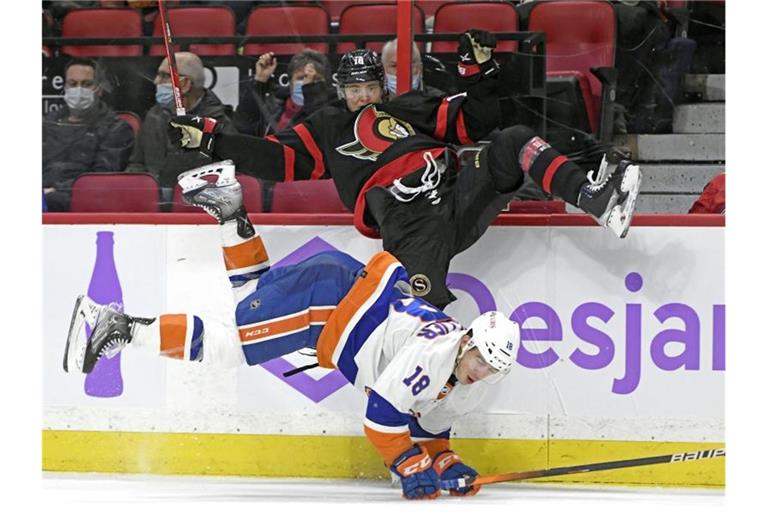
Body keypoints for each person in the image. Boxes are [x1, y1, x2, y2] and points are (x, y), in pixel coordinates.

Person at [62, 162, 521, 500]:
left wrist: (444, 460)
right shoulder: (433, 352)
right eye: (482, 360)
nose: (483, 372)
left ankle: (227, 206)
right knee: (230, 346)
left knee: (251, 297)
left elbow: (428, 420)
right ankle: (116, 325)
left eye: (492, 369)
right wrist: (406, 461)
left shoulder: (464, 372)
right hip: (325, 305)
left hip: (338, 303)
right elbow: (383, 415)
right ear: (467, 341)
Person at [167, 31, 642, 310]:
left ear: (382, 86)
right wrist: (212, 139)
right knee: (418, 319)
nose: (362, 97)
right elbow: (279, 160)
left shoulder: (411, 107)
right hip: (409, 223)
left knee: (512, 140)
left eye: (369, 87)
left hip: (455, 192)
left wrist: (479, 75)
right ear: (340, 90)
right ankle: (414, 433)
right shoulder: (330, 125)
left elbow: (477, 120)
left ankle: (595, 198)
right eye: (353, 89)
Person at [125, 51, 237, 192]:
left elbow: (224, 178)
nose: (156, 81)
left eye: (164, 76)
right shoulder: (154, 116)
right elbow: (137, 164)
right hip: (152, 204)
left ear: (185, 84)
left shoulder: (217, 125)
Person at [43, 57, 135, 211]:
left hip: (79, 200)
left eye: (86, 84)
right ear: (64, 86)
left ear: (98, 88)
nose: (78, 90)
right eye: (72, 84)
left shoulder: (116, 128)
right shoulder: (47, 123)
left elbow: (100, 178)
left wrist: (54, 191)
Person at [233, 48, 337, 137]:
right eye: (301, 78)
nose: (307, 83)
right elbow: (243, 127)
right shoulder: (274, 104)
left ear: (326, 84)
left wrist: (312, 94)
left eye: (315, 80)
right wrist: (260, 80)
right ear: (290, 82)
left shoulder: (335, 110)